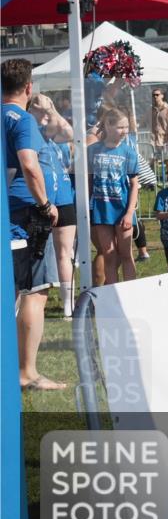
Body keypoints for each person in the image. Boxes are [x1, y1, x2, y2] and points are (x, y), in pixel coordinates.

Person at [3, 59, 65, 390]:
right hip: (24, 215)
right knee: (35, 291)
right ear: (28, 88)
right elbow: (29, 164)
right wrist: (45, 204)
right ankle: (26, 372)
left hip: (8, 212)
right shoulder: (22, 119)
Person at [29, 94, 75, 317]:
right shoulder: (32, 130)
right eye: (37, 106)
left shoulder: (54, 131)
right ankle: (25, 300)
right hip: (43, 198)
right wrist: (41, 110)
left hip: (64, 196)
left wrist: (51, 108)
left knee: (64, 252)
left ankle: (68, 304)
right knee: (37, 252)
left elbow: (69, 133)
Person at [88, 108, 140, 284]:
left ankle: (130, 292)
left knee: (126, 254)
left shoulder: (129, 152)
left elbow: (134, 185)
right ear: (108, 126)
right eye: (120, 127)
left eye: (126, 127)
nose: (125, 131)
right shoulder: (93, 150)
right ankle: (112, 292)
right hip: (102, 209)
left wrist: (129, 213)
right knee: (108, 254)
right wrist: (86, 206)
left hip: (123, 209)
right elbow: (88, 180)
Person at [150, 88, 168, 173]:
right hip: (154, 140)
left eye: (157, 95)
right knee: (152, 162)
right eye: (153, 95)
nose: (155, 96)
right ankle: (153, 179)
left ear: (162, 96)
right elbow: (143, 121)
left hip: (166, 140)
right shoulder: (151, 109)